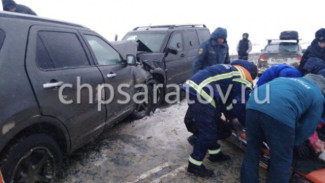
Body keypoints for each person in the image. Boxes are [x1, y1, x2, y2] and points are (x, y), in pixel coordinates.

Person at [241, 74, 325, 183]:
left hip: (253, 105)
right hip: (280, 113)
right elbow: (308, 127)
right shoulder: (318, 95)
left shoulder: (286, 80)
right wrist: (294, 143)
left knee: (252, 150)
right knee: (281, 160)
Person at [183, 60, 257, 177]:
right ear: (252, 76)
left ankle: (215, 154)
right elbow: (240, 105)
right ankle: (194, 165)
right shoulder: (244, 79)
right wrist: (244, 122)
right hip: (203, 93)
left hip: (195, 88)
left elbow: (226, 102)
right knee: (208, 132)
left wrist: (231, 117)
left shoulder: (234, 71)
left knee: (212, 126)